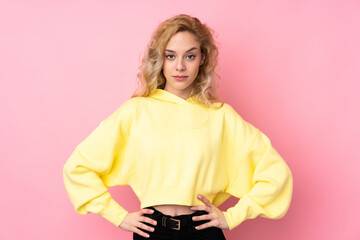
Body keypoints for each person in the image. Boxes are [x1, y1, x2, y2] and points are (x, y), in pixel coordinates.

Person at [63, 14, 293, 240]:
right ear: (160, 60)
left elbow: (276, 174)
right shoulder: (136, 111)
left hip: (203, 231)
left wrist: (232, 216)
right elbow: (78, 167)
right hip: (152, 230)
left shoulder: (221, 116)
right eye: (171, 56)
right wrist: (119, 216)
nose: (180, 66)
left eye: (190, 56)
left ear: (202, 58)